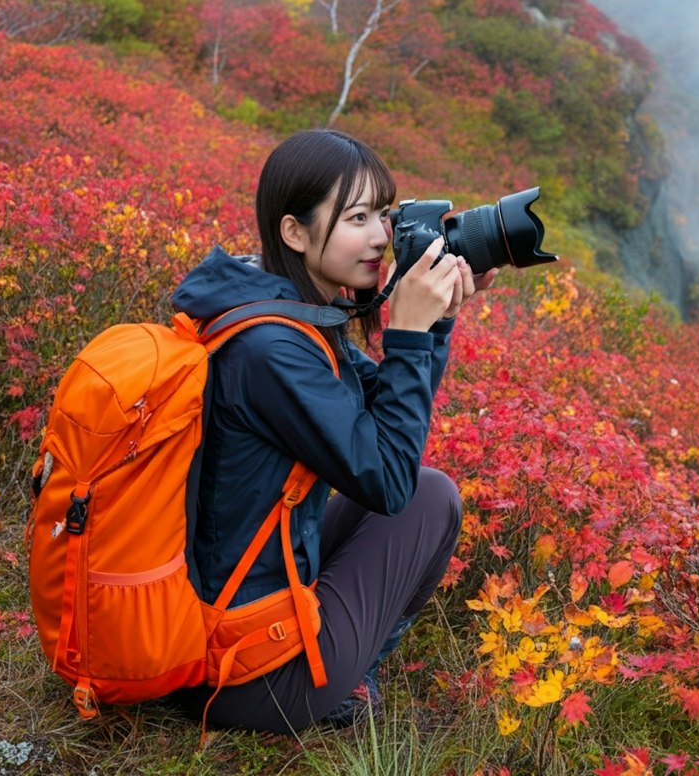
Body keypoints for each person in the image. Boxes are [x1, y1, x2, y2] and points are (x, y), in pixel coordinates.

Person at [170, 129, 495, 734]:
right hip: (247, 677)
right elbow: (387, 480)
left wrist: (435, 326)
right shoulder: (271, 350)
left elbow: (381, 408)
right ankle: (341, 687)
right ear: (294, 232)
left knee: (429, 490)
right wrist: (408, 332)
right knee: (427, 500)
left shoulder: (283, 311)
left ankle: (339, 667)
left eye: (384, 213)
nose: (380, 235)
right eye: (357, 217)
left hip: (224, 630)